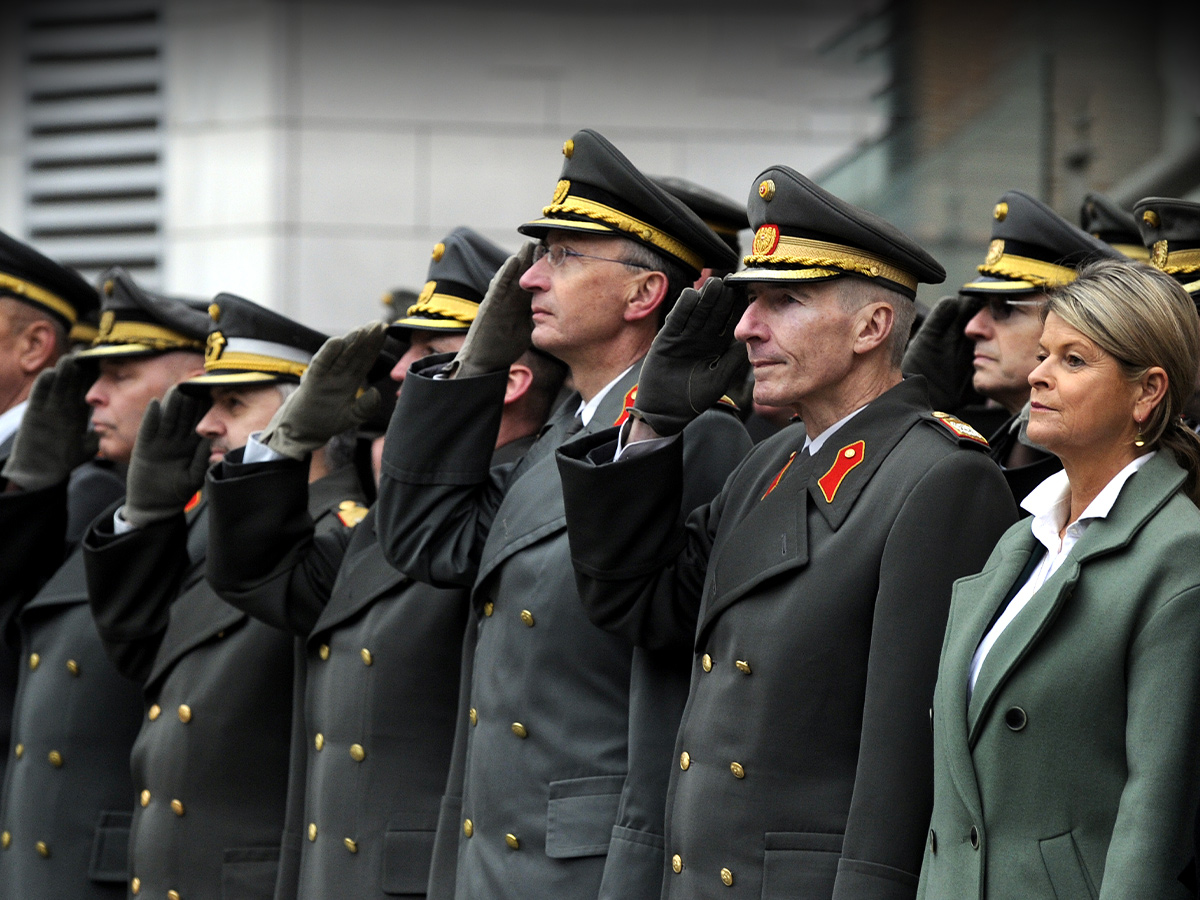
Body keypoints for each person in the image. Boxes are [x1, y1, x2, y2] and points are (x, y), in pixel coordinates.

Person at [555, 165, 1018, 899]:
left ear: (872, 327)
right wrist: (652, 425)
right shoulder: (769, 462)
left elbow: (904, 762)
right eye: (751, 301)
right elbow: (637, 602)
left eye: (785, 301)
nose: (746, 327)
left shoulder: (940, 477)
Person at [376, 129, 751, 900]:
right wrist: (476, 367)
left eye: (564, 256)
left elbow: (675, 681)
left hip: (585, 865)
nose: (528, 280)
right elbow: (427, 539)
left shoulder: (693, 437)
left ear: (644, 295)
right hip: (501, 854)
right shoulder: (566, 431)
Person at [203, 228, 565, 900]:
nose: (399, 372)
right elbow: (265, 580)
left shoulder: (520, 500)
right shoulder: (402, 515)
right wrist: (286, 442)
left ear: (511, 381)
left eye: (429, 353)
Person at [918, 258, 1200, 898]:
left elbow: (1154, 814)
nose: (1038, 375)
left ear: (1147, 393)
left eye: (1073, 360)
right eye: (1044, 353)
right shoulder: (1024, 537)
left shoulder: (1178, 555)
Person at [83, 294, 368, 900]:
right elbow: (139, 651)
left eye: (234, 404)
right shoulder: (214, 532)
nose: (206, 425)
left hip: (254, 877)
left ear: (309, 415)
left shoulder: (344, 534)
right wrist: (147, 515)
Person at [0, 269, 209, 899]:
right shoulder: (99, 504)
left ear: (195, 386)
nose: (93, 395)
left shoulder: (216, 525)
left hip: (119, 867)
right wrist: (28, 491)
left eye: (120, 376)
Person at [904, 190, 1120, 502]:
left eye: (1004, 308)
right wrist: (917, 402)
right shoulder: (992, 444)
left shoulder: (1091, 467)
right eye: (980, 307)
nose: (973, 328)